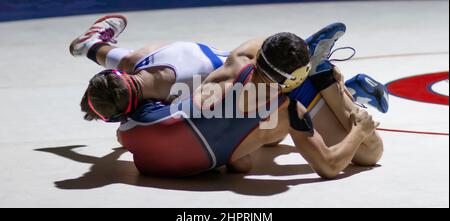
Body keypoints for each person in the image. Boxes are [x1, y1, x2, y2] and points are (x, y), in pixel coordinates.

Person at [116, 23, 386, 179]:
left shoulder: (237, 62)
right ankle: (326, 80)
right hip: (277, 96)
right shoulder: (289, 109)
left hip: (257, 88)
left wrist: (234, 156)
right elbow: (329, 166)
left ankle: (322, 75)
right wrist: (359, 129)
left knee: (265, 138)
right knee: (370, 152)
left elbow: (238, 163)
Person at [70, 15, 229, 122]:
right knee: (129, 63)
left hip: (244, 83)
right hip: (237, 60)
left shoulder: (176, 106)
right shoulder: (138, 58)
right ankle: (90, 45)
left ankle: (89, 45)